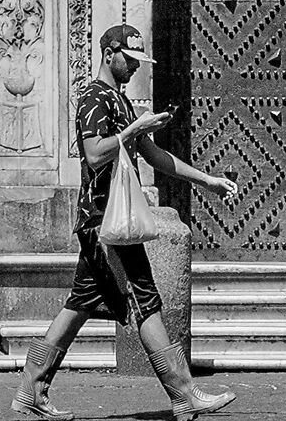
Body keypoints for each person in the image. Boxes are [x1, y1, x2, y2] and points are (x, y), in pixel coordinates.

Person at [13, 21, 239, 421]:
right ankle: (184, 394)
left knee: (81, 302)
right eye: (130, 60)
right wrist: (134, 128)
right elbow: (95, 153)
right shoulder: (94, 98)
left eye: (138, 61)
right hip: (103, 221)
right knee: (146, 298)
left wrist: (207, 180)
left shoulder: (120, 100)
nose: (136, 68)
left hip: (105, 222)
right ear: (108, 54)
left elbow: (152, 156)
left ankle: (32, 389)